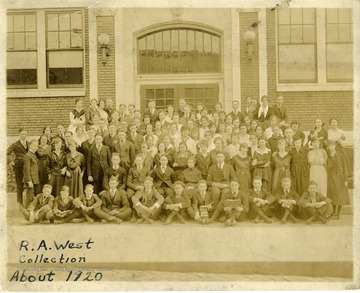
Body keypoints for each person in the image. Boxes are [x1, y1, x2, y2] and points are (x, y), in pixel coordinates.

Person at [327, 140, 350, 219]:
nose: (331, 147)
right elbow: (327, 167)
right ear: (328, 147)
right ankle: (334, 212)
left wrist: (345, 180)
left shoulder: (340, 155)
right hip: (330, 177)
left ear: (335, 146)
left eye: (332, 145)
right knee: (333, 194)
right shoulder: (328, 156)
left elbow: (345, 168)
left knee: (340, 195)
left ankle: (339, 213)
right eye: (329, 146)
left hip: (340, 177)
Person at [7, 128, 29, 205]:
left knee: (28, 184)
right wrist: (11, 161)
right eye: (22, 134)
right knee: (20, 185)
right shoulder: (15, 144)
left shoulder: (29, 144)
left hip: (27, 167)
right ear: (19, 134)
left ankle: (27, 203)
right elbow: (6, 152)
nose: (24, 136)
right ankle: (20, 203)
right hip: (19, 167)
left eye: (25, 134)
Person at [23, 139, 40, 208]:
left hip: (35, 179)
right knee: (29, 196)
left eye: (37, 146)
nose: (36, 147)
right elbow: (26, 169)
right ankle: (27, 211)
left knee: (34, 196)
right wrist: (29, 181)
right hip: (30, 179)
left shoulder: (33, 155)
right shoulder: (27, 155)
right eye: (34, 145)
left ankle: (31, 210)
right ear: (30, 145)